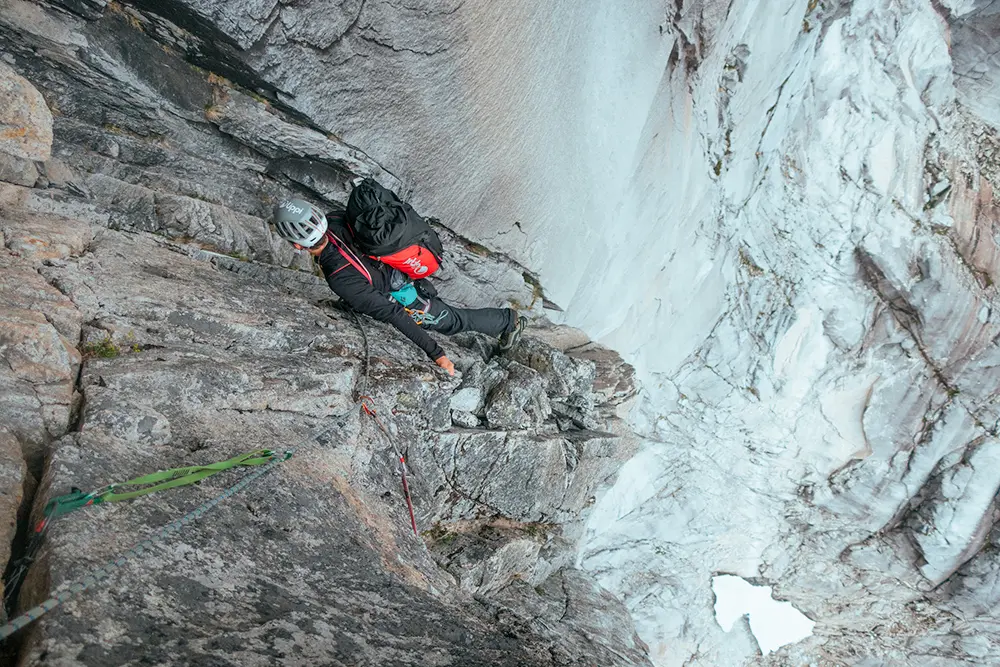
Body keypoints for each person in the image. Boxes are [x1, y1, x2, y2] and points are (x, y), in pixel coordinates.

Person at [271, 199, 526, 375]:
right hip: (402, 267)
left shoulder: (339, 277)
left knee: (451, 321)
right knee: (445, 314)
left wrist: (437, 354)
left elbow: (392, 313)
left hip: (406, 295)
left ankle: (508, 322)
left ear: (297, 246)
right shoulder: (336, 218)